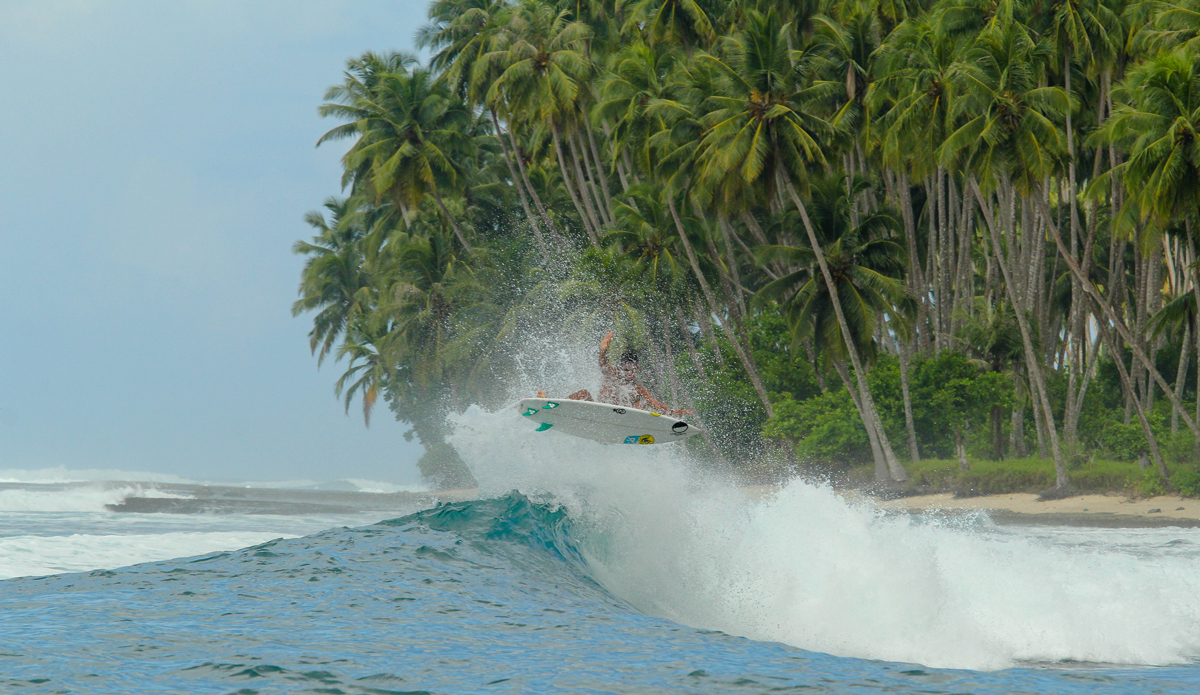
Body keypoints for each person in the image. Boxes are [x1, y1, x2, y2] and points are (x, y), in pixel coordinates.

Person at [539, 331, 692, 416]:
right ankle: (552, 405)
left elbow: (654, 402)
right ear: (620, 368)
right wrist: (603, 351)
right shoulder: (613, 376)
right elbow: (603, 365)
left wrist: (672, 412)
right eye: (625, 370)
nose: (629, 373)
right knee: (584, 393)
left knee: (643, 403)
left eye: (632, 370)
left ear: (637, 368)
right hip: (597, 412)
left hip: (619, 418)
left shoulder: (638, 389)